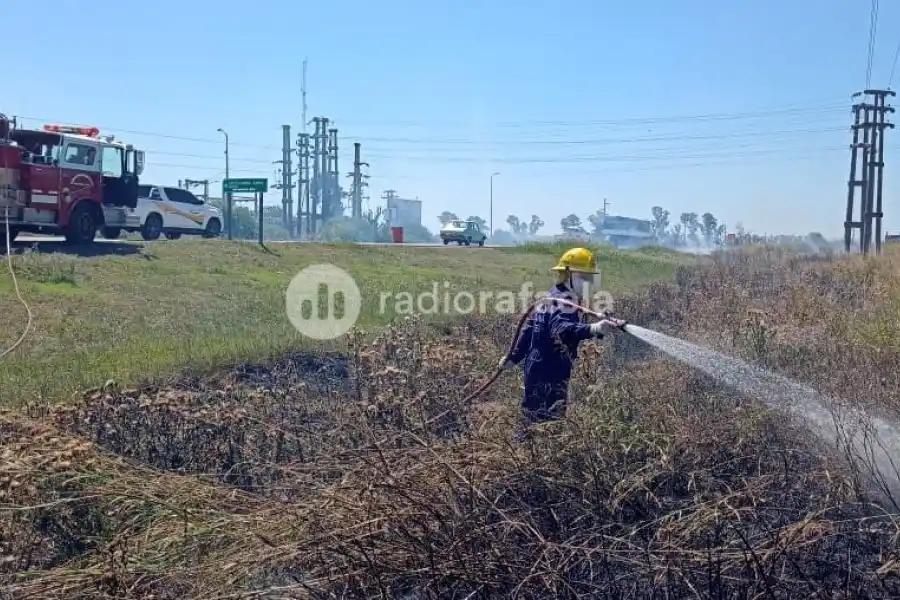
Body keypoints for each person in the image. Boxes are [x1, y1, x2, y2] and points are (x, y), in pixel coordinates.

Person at [497, 247, 626, 434]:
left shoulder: (554, 295)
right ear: (567, 274)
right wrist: (594, 329)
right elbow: (562, 330)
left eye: (590, 277)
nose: (588, 282)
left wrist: (514, 357)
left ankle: (525, 447)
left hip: (538, 366)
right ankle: (529, 449)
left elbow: (531, 328)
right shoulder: (563, 301)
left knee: (532, 418)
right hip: (550, 370)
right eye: (583, 277)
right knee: (547, 423)